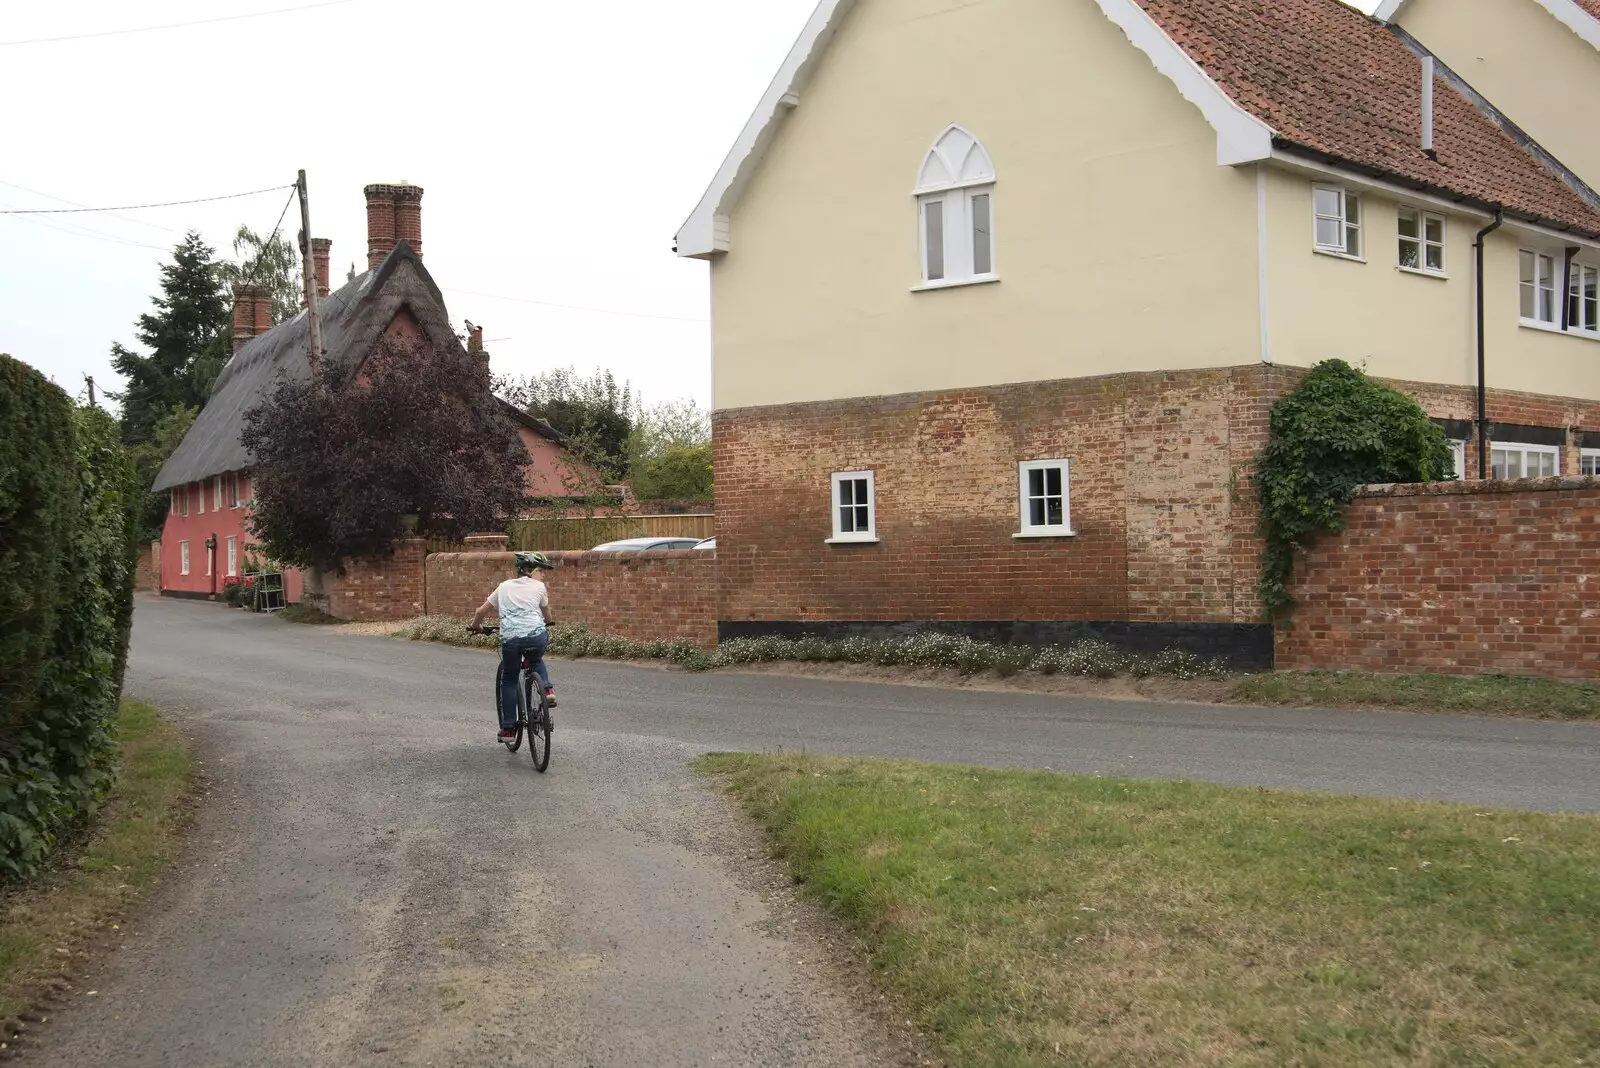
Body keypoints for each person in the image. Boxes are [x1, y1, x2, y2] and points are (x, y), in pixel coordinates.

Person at [470, 551, 557, 743]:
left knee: (509, 678)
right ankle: (547, 690)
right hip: (536, 636)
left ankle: (508, 729)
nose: (543, 575)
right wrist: (548, 622)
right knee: (536, 659)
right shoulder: (540, 587)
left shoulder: (503, 587)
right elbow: (546, 613)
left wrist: (476, 626)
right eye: (541, 570)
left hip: (511, 639)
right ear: (528, 570)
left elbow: (480, 611)